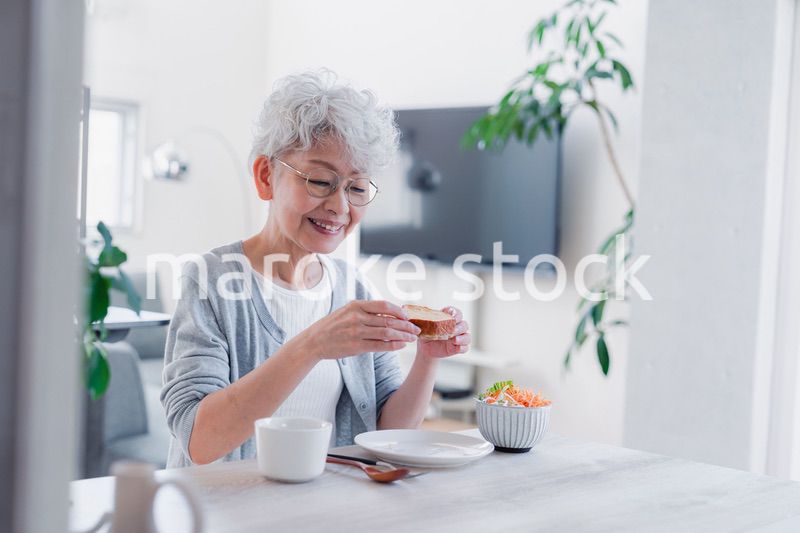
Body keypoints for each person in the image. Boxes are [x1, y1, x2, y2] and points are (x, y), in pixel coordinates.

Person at [160, 70, 471, 467]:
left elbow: (389, 432)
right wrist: (312, 345)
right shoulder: (211, 281)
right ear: (265, 176)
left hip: (323, 502)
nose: (340, 207)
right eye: (321, 181)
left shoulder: (352, 288)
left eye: (356, 188)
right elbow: (199, 441)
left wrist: (427, 359)